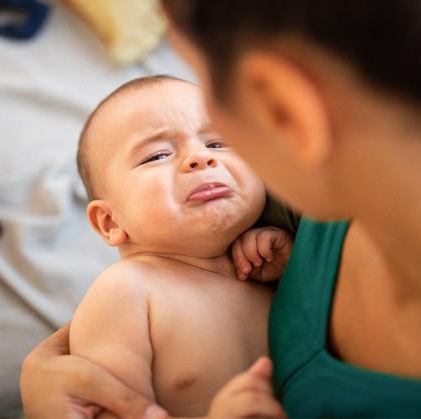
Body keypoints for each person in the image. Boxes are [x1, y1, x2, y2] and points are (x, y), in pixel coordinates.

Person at [21, 1, 421, 417]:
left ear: (285, 109)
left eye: (214, 130)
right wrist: (51, 366)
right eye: (160, 152)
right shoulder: (290, 199)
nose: (201, 162)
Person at [69, 75, 292, 417]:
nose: (200, 158)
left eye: (217, 143)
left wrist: (291, 272)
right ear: (110, 222)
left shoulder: (268, 268)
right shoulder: (126, 292)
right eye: (157, 155)